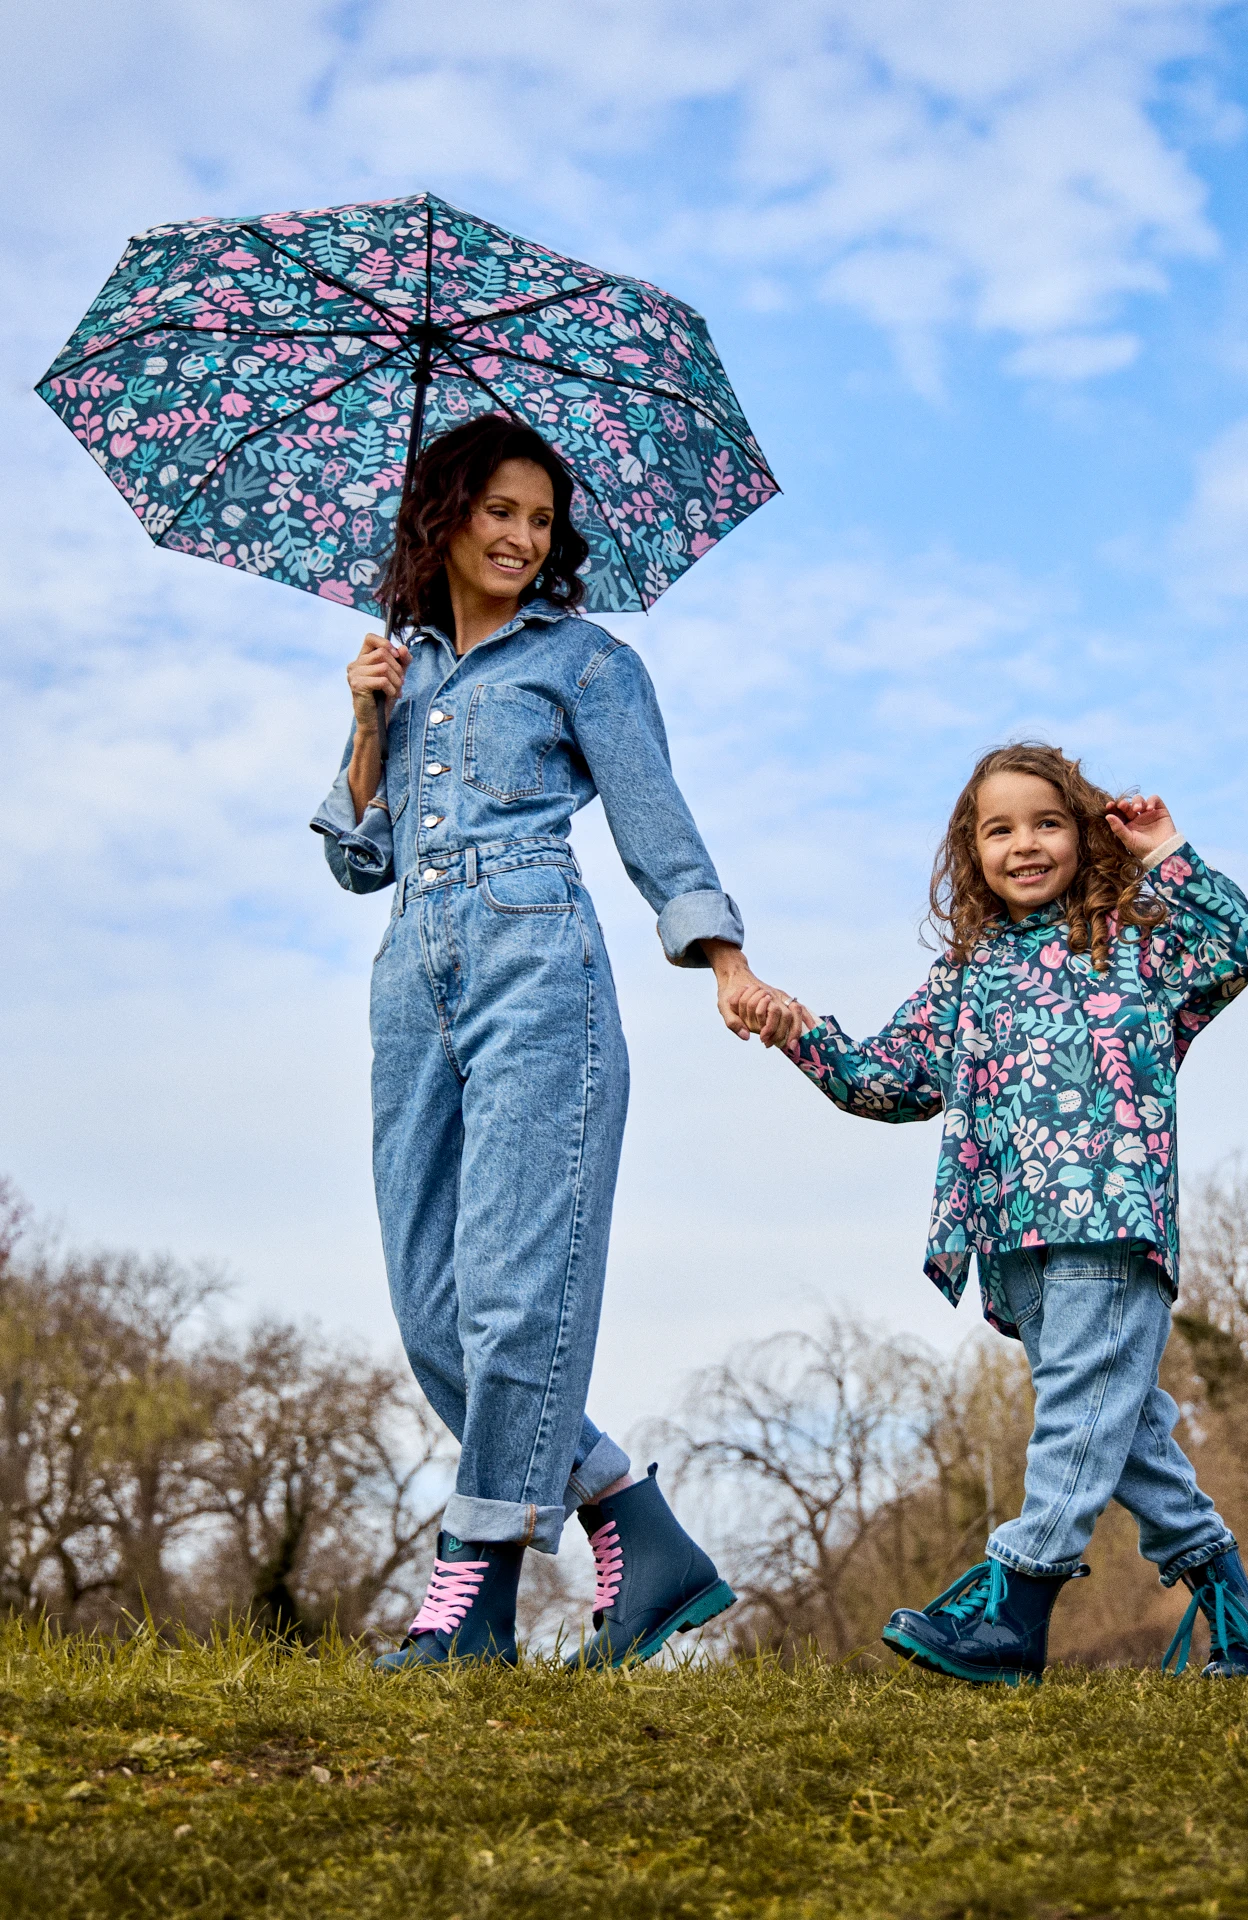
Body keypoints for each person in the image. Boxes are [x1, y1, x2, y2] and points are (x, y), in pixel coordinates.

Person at [311, 414, 793, 1670]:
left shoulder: (585, 661)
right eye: (500, 512)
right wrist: (368, 723)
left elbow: (655, 819)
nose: (525, 536)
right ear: (447, 516)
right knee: (433, 1311)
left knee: (520, 1295)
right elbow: (358, 861)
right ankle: (632, 1516)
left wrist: (722, 958)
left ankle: (469, 1602)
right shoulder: (396, 665)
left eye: (541, 519)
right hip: (409, 973)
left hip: (537, 962)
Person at [744, 742, 1248, 1685]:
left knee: (1078, 1422)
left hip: (1108, 1222)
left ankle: (1016, 1610)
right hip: (1013, 1241)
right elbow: (887, 1079)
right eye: (1000, 830)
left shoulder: (1138, 942)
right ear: (972, 850)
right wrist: (795, 1028)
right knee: (1123, 1443)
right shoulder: (969, 971)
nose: (1025, 845)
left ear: (1085, 833)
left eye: (1047, 823)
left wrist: (1166, 850)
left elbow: (1236, 944)